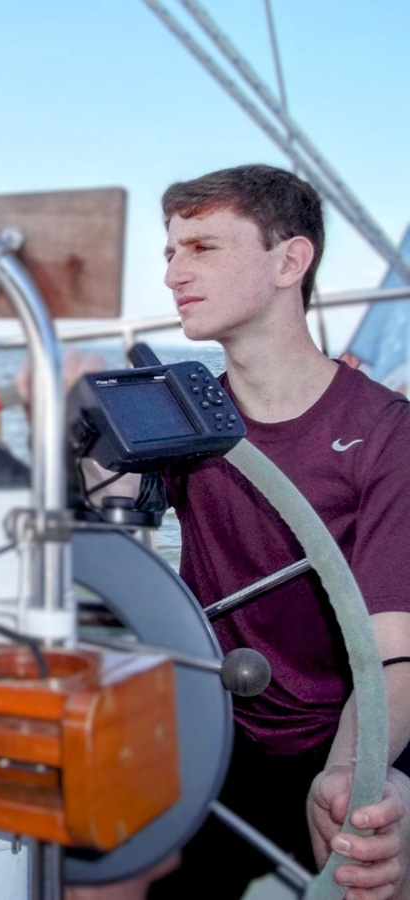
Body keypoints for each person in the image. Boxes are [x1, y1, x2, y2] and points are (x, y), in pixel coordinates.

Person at [78, 165, 410, 900]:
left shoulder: (387, 435)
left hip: (346, 727)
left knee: (377, 838)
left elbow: (395, 657)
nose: (173, 274)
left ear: (290, 262)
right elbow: (108, 549)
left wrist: (352, 770)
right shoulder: (175, 417)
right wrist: (92, 475)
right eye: (170, 252)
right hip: (217, 724)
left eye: (202, 249)